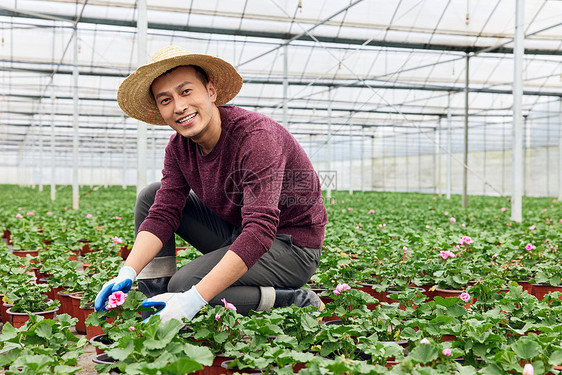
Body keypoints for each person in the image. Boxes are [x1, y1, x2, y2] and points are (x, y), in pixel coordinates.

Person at [94, 45, 327, 323]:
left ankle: (292, 299)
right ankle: (155, 299)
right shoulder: (179, 148)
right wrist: (127, 272)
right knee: (151, 196)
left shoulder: (256, 137)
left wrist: (191, 299)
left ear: (211, 92)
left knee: (186, 286)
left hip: (291, 247)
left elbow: (260, 230)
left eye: (186, 91)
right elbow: (162, 213)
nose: (179, 107)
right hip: (237, 232)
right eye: (165, 100)